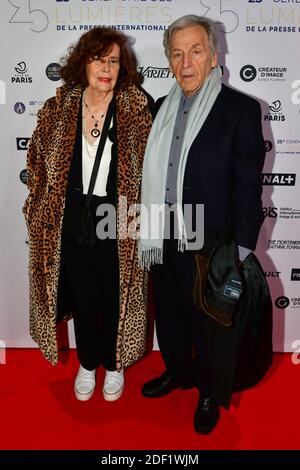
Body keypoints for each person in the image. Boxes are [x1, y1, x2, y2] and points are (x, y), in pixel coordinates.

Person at [139, 15, 266, 433]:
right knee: (171, 314)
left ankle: (210, 392)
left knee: (210, 324)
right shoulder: (158, 109)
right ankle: (179, 370)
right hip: (163, 231)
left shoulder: (241, 111)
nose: (186, 61)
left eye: (195, 50)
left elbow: (249, 187)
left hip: (212, 242)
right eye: (177, 53)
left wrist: (241, 252)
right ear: (170, 61)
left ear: (214, 57)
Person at [23, 27, 152, 402]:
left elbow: (152, 170)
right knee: (82, 295)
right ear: (84, 62)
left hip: (119, 214)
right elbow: (36, 163)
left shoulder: (135, 108)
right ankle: (87, 362)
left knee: (115, 292)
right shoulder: (59, 106)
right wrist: (36, 209)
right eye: (99, 58)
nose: (106, 67)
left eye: (113, 60)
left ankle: (114, 365)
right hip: (71, 213)